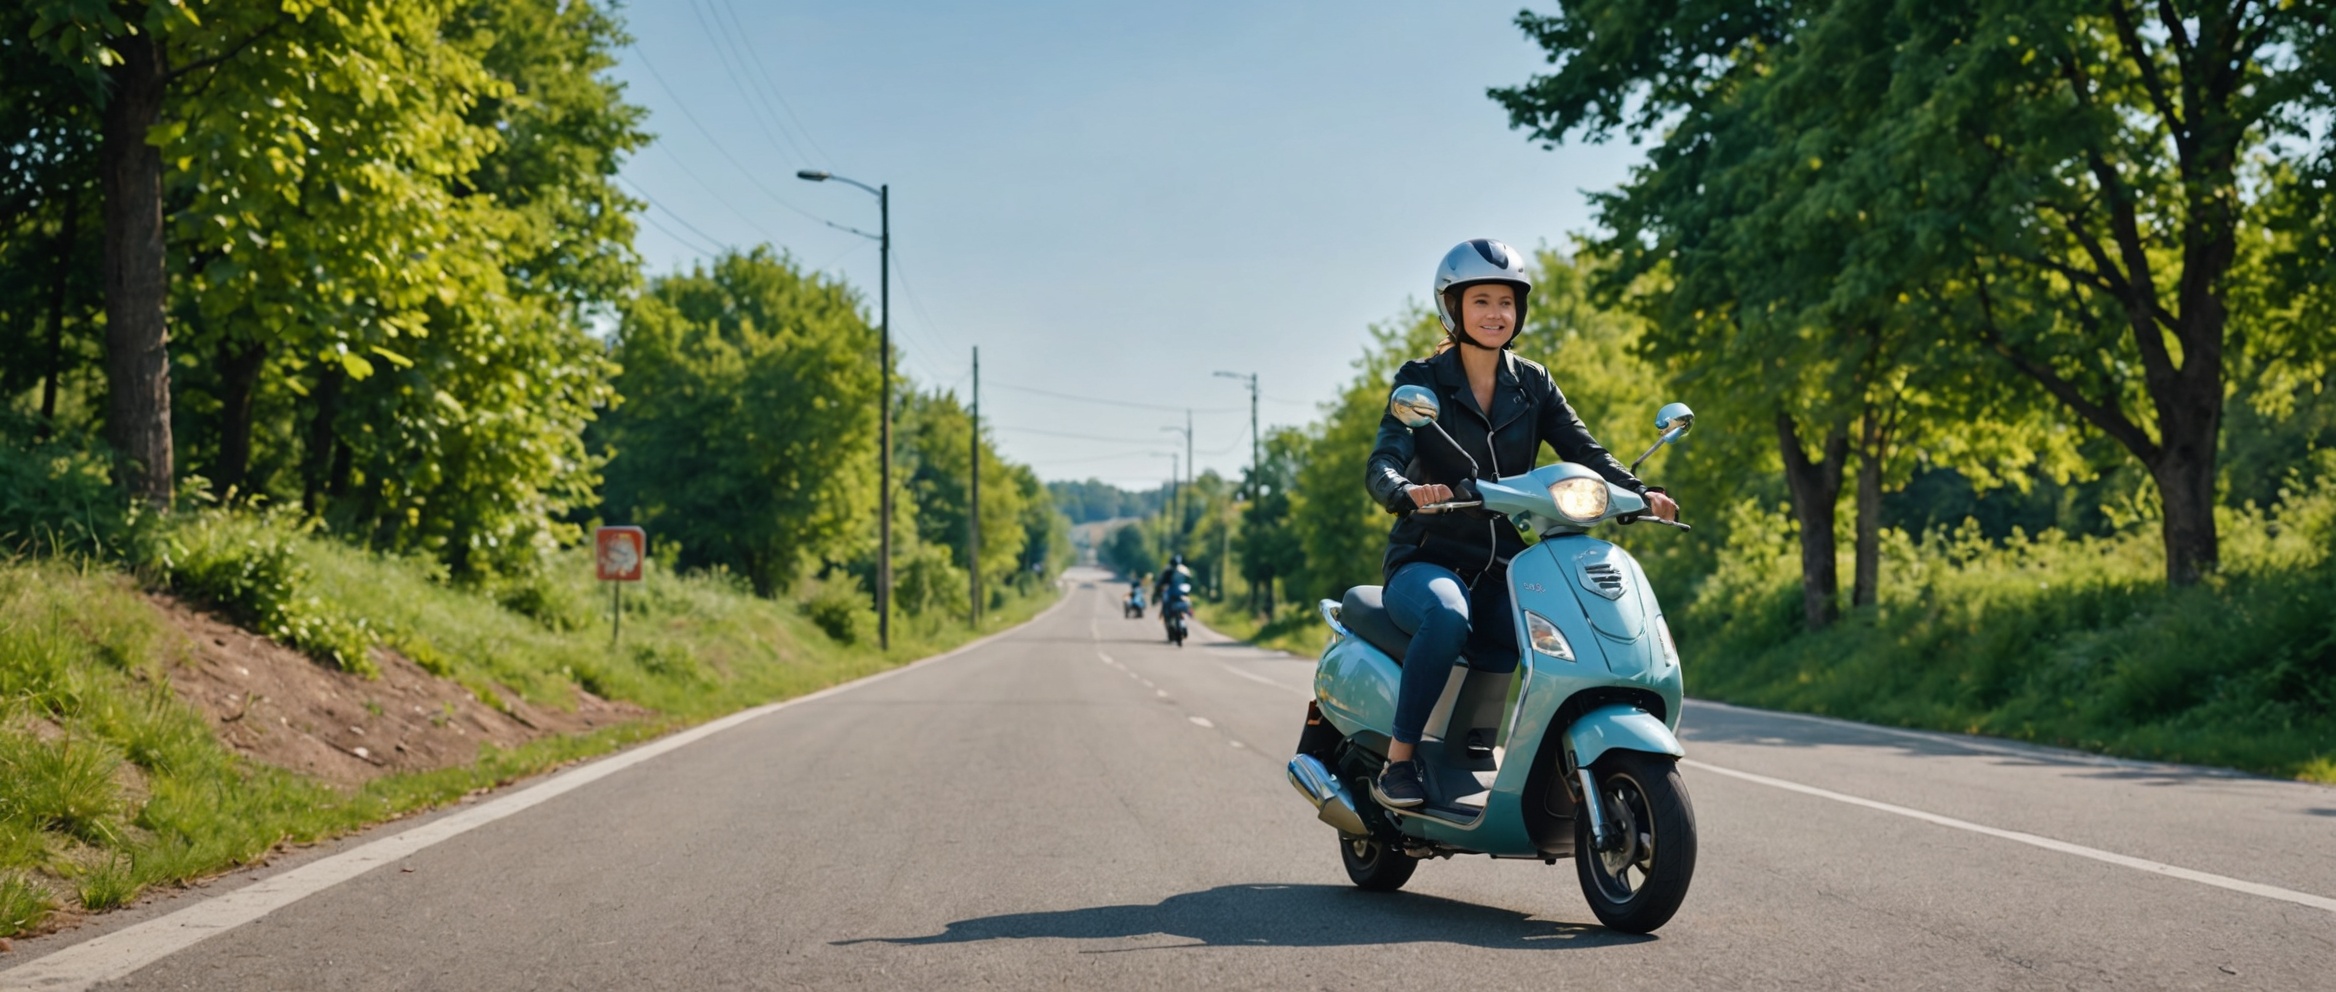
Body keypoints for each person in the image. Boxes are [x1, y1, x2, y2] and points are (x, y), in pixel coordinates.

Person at [1362, 239, 1680, 809]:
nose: (1495, 314)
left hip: (1506, 565)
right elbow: (1383, 459)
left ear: (1520, 311)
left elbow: (1586, 451)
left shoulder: (1532, 383)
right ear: (1453, 309)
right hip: (1428, 556)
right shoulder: (1423, 379)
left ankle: (1543, 767)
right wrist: (1407, 491)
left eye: (1506, 302)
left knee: (1564, 634)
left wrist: (1639, 492)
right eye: (1480, 301)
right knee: (1447, 613)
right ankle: (1400, 762)